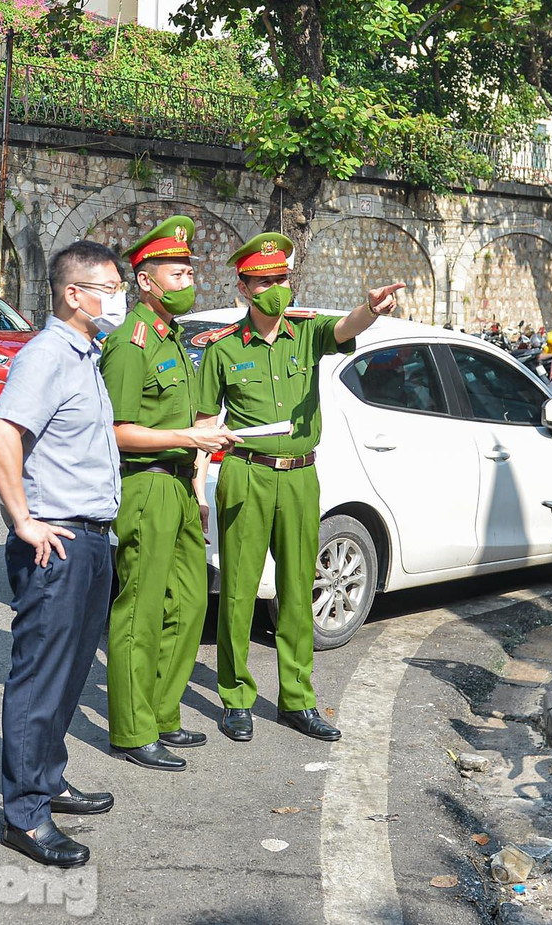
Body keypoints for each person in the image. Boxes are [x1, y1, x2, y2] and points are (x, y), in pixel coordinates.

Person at [195, 232, 404, 743]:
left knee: (295, 590)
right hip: (247, 472)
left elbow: (345, 328)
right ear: (244, 288)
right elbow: (203, 424)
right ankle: (237, 698)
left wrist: (371, 309)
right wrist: (200, 489)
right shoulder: (221, 349)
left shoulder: (306, 333)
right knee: (240, 593)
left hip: (300, 475)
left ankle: (298, 699)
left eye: (282, 279)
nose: (277, 289)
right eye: (265, 281)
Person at [0, 240, 124, 867]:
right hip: (58, 539)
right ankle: (25, 814)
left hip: (92, 537)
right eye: (111, 288)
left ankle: (48, 778)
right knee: (41, 675)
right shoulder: (46, 354)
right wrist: (25, 522)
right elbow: (0, 436)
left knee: (68, 673)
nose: (119, 298)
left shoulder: (84, 355)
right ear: (75, 294)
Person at [99, 216, 236, 772]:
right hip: (146, 483)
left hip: (181, 484)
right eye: (177, 273)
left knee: (192, 601)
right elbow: (114, 431)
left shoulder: (173, 339)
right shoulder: (130, 344)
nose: (188, 281)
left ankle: (162, 710)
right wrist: (189, 438)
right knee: (141, 607)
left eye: (189, 272)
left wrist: (198, 479)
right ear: (146, 281)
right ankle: (133, 730)